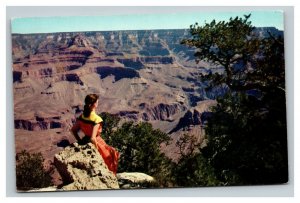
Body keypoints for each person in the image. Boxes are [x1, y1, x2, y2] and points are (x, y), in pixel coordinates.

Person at [71, 94, 119, 175]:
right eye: (97, 102)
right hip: (96, 142)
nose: (98, 103)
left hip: (85, 139)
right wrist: (96, 151)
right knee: (112, 155)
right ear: (94, 104)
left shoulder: (82, 116)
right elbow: (93, 138)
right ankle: (111, 178)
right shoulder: (96, 119)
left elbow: (73, 130)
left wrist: (80, 141)